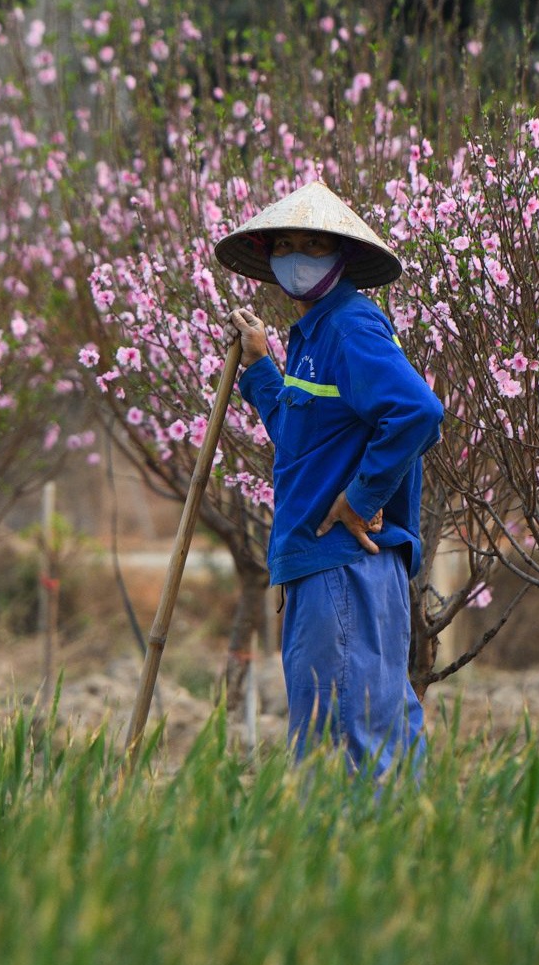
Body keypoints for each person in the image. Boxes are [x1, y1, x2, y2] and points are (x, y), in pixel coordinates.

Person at [214, 181, 444, 778]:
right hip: (321, 567)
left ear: (339, 257)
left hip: (344, 564)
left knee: (347, 740)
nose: (296, 256)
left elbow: (417, 411)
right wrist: (262, 365)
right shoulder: (314, 336)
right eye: (284, 244)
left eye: (311, 244)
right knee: (353, 729)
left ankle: (357, 863)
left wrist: (361, 496)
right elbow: (301, 439)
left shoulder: (349, 326)